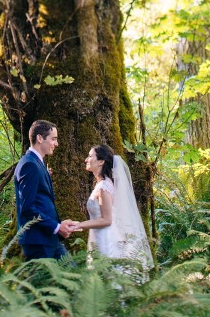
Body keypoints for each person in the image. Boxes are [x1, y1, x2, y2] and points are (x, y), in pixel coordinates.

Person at [69, 144, 153, 277]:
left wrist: (79, 225)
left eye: (90, 156)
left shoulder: (104, 187)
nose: (86, 159)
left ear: (101, 161)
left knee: (107, 276)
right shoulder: (101, 185)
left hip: (106, 238)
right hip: (98, 236)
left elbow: (107, 220)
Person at [14, 119, 74, 260]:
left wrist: (58, 226)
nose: (56, 144)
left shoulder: (37, 163)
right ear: (40, 138)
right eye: (53, 139)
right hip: (38, 241)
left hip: (48, 238)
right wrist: (56, 227)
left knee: (71, 272)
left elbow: (41, 200)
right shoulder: (29, 165)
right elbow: (27, 208)